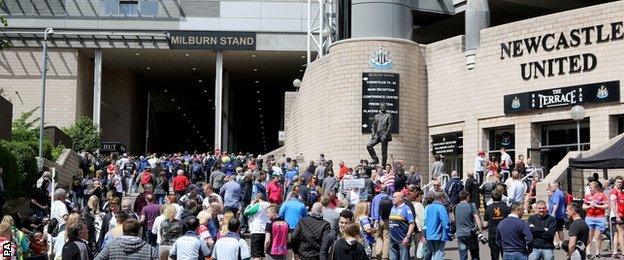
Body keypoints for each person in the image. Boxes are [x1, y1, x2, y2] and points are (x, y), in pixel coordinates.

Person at [454, 190, 484, 260]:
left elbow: (456, 220)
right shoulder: (471, 205)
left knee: (463, 256)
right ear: (467, 197)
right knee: (475, 255)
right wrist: (480, 231)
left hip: (460, 235)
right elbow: (477, 218)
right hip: (471, 234)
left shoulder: (455, 207)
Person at [582, 181, 608, 258]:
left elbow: (606, 206)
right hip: (589, 217)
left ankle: (597, 252)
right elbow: (583, 207)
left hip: (599, 218)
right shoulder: (587, 196)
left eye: (591, 187)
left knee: (598, 236)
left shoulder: (601, 195)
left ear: (596, 187)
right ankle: (588, 253)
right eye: (589, 187)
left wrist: (596, 205)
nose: (590, 189)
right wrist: (589, 206)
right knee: (589, 236)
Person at [423, 191, 452, 260]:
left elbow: (426, 220)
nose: (445, 200)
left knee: (433, 253)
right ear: (441, 198)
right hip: (438, 234)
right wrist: (449, 232)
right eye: (444, 198)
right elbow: (445, 222)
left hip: (429, 234)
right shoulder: (441, 207)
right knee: (439, 253)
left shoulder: (429, 207)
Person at [483, 190, 510, 260]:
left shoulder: (488, 208)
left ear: (492, 198)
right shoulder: (506, 208)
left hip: (493, 234)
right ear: (501, 197)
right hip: (505, 234)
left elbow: (485, 224)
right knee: (506, 255)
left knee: (494, 256)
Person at [388, 192, 415, 260]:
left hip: (402, 240)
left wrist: (407, 237)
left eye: (394, 197)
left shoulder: (406, 209)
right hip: (392, 240)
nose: (392, 199)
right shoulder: (393, 208)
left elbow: (412, 224)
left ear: (400, 198)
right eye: (392, 197)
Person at [243, 194, 271, 260]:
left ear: (257, 198)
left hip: (256, 231)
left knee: (256, 255)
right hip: (267, 231)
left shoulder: (258, 205)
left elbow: (246, 212)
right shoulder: (269, 205)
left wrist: (251, 204)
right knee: (264, 254)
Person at [547, 182, 566, 249]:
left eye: (551, 187)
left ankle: (556, 243)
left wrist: (553, 214)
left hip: (556, 215)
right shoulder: (561, 193)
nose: (550, 188)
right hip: (561, 214)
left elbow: (556, 204)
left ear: (556, 186)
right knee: (560, 229)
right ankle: (561, 243)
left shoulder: (556, 194)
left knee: (554, 229)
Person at [611, 176, 624, 258]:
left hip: (620, 214)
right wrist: (617, 216)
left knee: (616, 233)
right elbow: (612, 204)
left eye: (621, 182)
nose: (619, 183)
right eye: (618, 182)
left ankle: (615, 251)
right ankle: (623, 251)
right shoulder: (614, 191)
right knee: (621, 233)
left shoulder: (620, 191)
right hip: (617, 215)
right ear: (615, 182)